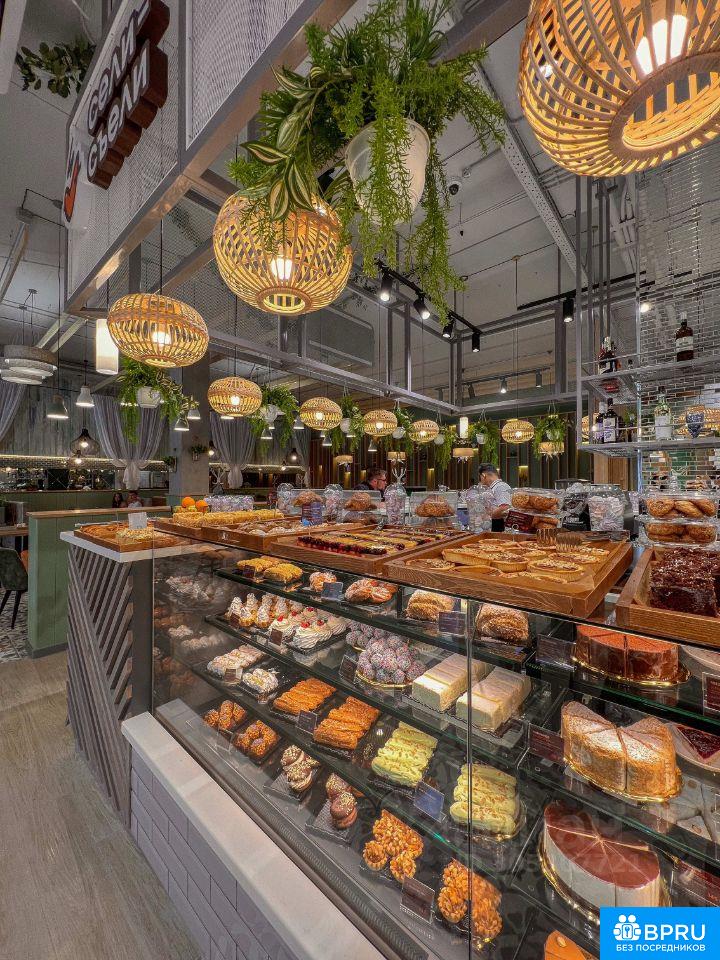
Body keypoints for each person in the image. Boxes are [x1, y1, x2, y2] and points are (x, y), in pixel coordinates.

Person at [477, 463, 512, 532]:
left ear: (483, 475)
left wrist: (486, 517)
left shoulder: (500, 486)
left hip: (500, 526)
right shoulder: (494, 487)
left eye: (480, 477)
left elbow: (505, 508)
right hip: (494, 525)